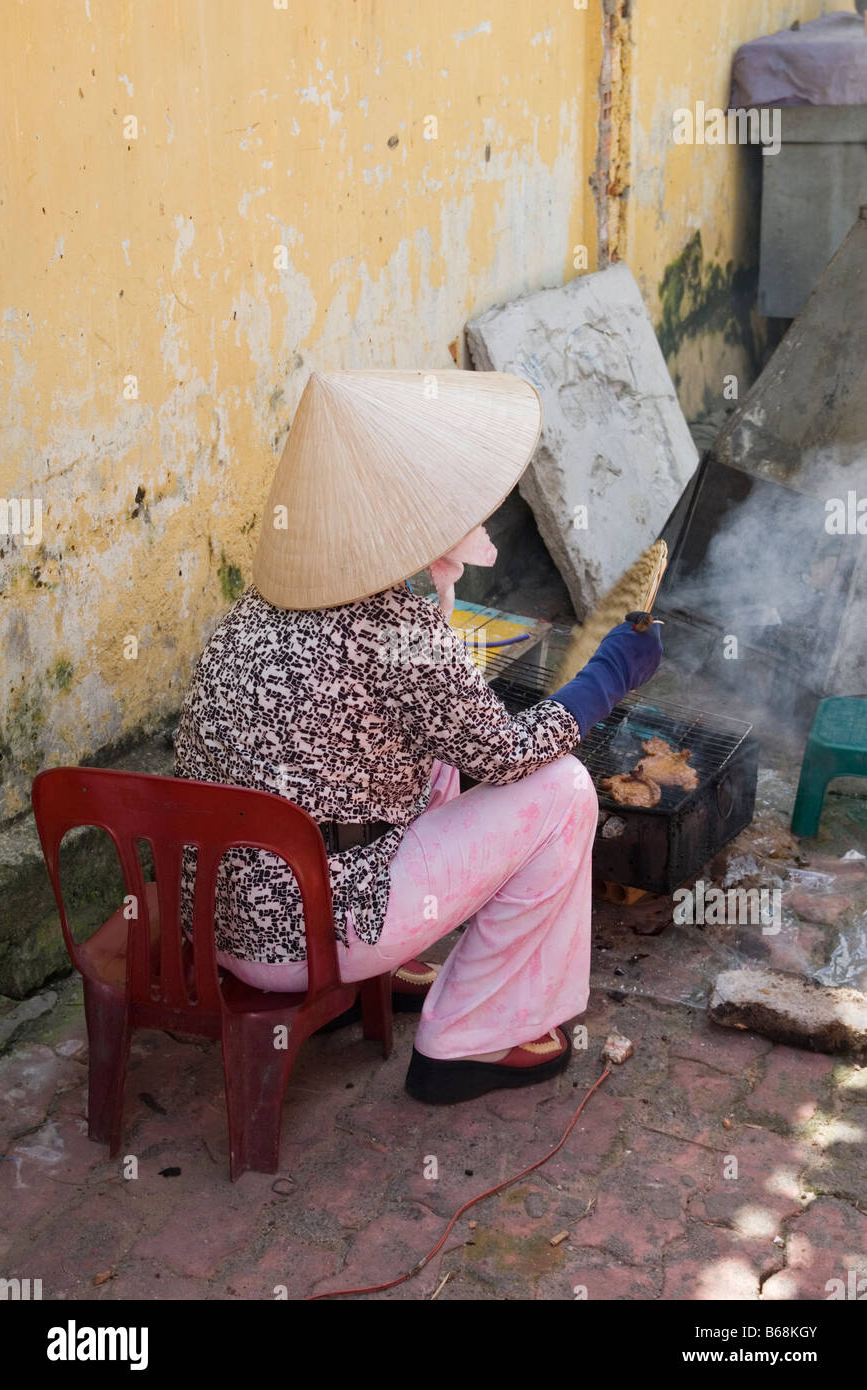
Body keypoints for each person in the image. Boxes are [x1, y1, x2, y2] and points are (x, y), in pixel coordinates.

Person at [173, 368, 662, 1104]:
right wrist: (608, 675)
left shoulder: (251, 611)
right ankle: (468, 1039)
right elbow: (507, 757)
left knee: (432, 763)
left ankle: (388, 971)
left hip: (219, 916)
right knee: (563, 789)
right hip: (311, 932)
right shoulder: (396, 629)